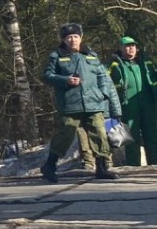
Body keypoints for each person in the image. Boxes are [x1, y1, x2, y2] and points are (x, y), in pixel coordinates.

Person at [42, 23, 121, 182]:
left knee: (99, 134)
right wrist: (65, 80)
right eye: (69, 37)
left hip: (94, 103)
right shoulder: (57, 56)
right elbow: (47, 76)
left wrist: (102, 93)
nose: (73, 40)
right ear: (64, 40)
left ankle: (102, 168)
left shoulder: (90, 54)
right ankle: (49, 166)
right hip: (71, 104)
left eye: (76, 36)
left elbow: (102, 76)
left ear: (81, 37)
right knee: (66, 134)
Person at [108, 35, 157, 166]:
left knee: (152, 133)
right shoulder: (114, 63)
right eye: (127, 46)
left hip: (149, 103)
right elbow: (105, 81)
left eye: (133, 46)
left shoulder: (146, 61)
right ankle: (133, 165)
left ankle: (155, 164)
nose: (131, 48)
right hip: (128, 104)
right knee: (131, 136)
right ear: (121, 48)